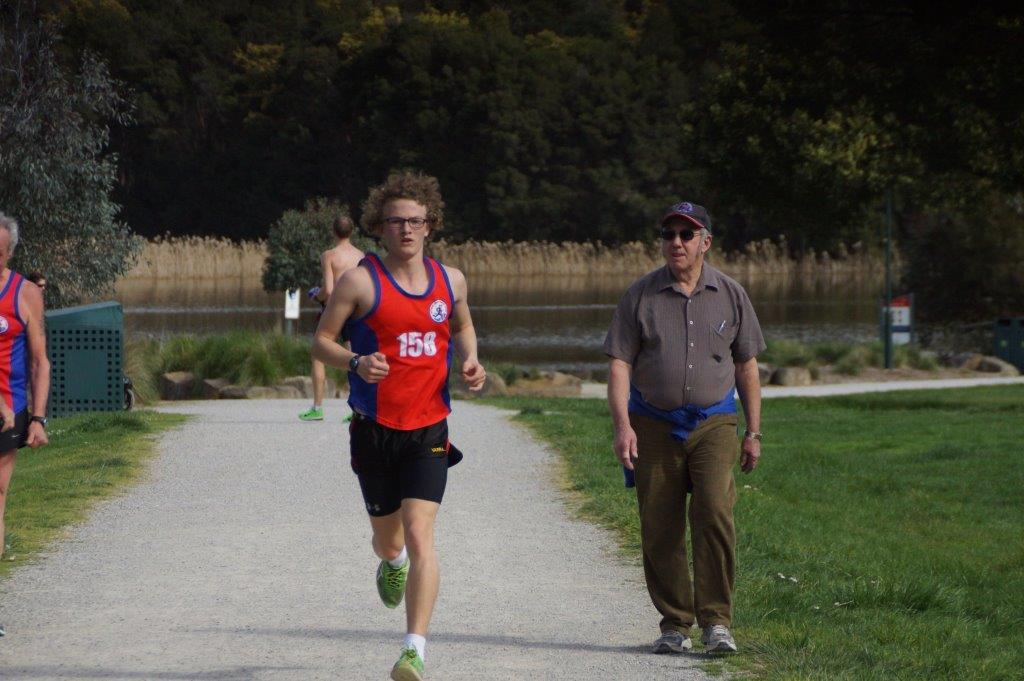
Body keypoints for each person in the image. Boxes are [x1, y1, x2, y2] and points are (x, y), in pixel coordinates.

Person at [312, 170, 485, 681]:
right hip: (375, 428)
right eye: (395, 221)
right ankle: (392, 565)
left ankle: (414, 650)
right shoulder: (359, 281)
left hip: (429, 428)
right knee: (390, 543)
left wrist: (471, 359)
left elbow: (463, 325)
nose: (406, 230)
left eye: (414, 221)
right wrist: (355, 362)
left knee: (420, 533)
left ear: (430, 224)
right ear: (379, 226)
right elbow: (321, 341)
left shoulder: (451, 281)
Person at [604, 201, 764, 655]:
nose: (676, 242)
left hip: (714, 422)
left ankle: (717, 623)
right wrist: (623, 427)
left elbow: (747, 365)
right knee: (660, 524)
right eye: (668, 234)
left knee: (714, 513)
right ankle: (675, 624)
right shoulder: (640, 295)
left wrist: (753, 432)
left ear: (705, 242)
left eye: (686, 234)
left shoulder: (731, 294)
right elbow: (619, 364)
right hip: (653, 424)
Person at [0, 214, 51, 564]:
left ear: (10, 253)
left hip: (11, 409)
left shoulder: (27, 294)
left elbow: (39, 362)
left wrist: (38, 419)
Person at [299, 215, 364, 421]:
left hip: (334, 309)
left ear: (333, 231)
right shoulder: (360, 255)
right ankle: (358, 409)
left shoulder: (329, 255)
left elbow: (328, 289)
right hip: (355, 309)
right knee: (353, 356)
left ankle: (317, 408)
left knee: (319, 354)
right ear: (352, 231)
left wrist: (315, 295)